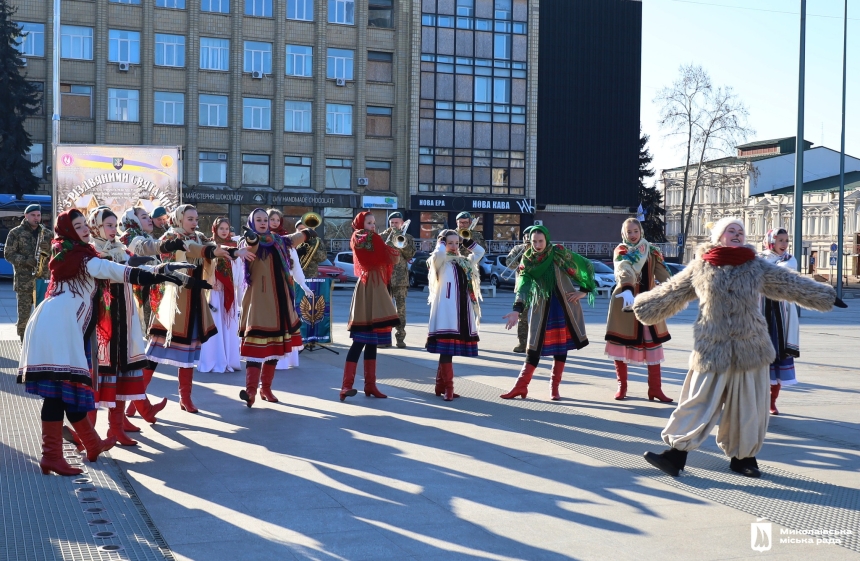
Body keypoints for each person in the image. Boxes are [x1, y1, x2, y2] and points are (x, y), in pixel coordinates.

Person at [636, 217, 845, 479]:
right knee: (696, 401)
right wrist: (643, 306)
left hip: (750, 347)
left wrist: (825, 296)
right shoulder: (701, 266)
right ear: (718, 237)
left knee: (748, 407)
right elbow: (673, 291)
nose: (737, 234)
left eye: (740, 231)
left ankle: (744, 458)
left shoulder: (755, 265)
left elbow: (789, 284)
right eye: (731, 230)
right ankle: (675, 455)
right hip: (712, 346)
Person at [18, 209, 181, 475]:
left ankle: (91, 445)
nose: (84, 229)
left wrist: (156, 270)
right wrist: (157, 273)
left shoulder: (75, 253)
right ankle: (52, 456)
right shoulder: (81, 258)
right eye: (78, 226)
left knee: (68, 392)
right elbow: (112, 270)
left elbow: (116, 266)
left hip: (65, 326)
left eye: (85, 224)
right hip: (61, 329)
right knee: (57, 395)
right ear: (68, 231)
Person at [146, 204, 230, 414]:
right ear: (179, 219)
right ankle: (136, 398)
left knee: (189, 353)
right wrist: (210, 250)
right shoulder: (169, 238)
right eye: (190, 219)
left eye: (196, 219)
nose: (194, 222)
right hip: (172, 302)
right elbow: (190, 249)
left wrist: (233, 251)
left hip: (193, 302)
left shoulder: (200, 238)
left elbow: (210, 248)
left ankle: (185, 397)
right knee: (154, 352)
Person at [500, 225, 597, 400]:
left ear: (547, 239)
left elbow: (583, 265)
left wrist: (584, 291)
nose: (537, 245)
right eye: (534, 242)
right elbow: (523, 285)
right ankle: (520, 386)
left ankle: (554, 388)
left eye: (540, 241)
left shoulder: (558, 252)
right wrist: (516, 310)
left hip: (563, 306)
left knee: (560, 347)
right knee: (534, 348)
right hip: (541, 307)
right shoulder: (527, 260)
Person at [234, 209, 311, 407]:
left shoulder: (278, 240)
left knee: (276, 346)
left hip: (280, 301)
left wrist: (307, 232)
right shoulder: (247, 243)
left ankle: (266, 388)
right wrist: (252, 238)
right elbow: (251, 245)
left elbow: (293, 239)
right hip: (259, 302)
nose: (262, 222)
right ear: (251, 222)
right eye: (258, 220)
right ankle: (250, 391)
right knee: (255, 348)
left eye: (265, 219)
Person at [118, 206, 182, 425]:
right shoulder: (130, 237)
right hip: (132, 301)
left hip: (146, 300)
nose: (148, 220)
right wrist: (167, 245)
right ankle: (134, 410)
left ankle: (135, 408)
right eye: (143, 217)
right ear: (133, 220)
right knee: (131, 357)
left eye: (148, 216)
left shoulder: (144, 236)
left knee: (137, 355)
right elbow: (145, 251)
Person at [604, 218, 673, 402]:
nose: (633, 235)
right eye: (629, 232)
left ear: (641, 231)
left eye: (635, 231)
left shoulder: (651, 251)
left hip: (648, 303)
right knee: (621, 344)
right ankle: (622, 387)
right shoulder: (621, 251)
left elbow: (663, 273)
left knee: (653, 345)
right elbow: (623, 270)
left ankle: (655, 389)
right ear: (623, 233)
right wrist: (628, 288)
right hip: (625, 301)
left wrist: (677, 288)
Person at [339, 211, 400, 401]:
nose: (373, 226)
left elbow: (390, 257)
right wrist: (392, 243)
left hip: (374, 286)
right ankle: (347, 386)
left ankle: (369, 385)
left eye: (374, 223)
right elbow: (388, 257)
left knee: (372, 341)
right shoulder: (363, 237)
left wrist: (392, 244)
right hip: (370, 286)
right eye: (369, 223)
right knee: (360, 340)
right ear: (360, 224)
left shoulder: (367, 238)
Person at [426, 229, 484, 400]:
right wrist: (441, 243)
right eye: (450, 242)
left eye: (456, 243)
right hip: (446, 311)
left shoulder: (465, 261)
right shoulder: (439, 260)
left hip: (462, 311)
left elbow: (480, 252)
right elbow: (438, 254)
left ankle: (440, 385)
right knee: (446, 349)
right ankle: (448, 388)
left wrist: (466, 241)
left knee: (448, 350)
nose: (454, 246)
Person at [759, 229, 800, 415]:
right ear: (771, 241)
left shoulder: (789, 260)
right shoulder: (759, 258)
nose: (784, 244)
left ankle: (772, 401)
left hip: (781, 315)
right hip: (761, 313)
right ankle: (758, 400)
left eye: (786, 240)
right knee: (759, 359)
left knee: (779, 355)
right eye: (780, 240)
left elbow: (782, 276)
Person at [198, 218, 242, 374]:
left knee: (229, 325)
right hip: (214, 291)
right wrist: (210, 283)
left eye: (226, 228)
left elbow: (238, 269)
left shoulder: (234, 246)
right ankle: (213, 360)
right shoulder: (209, 246)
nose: (224, 231)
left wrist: (234, 284)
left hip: (228, 291)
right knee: (215, 324)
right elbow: (203, 267)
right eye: (221, 228)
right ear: (215, 229)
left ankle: (229, 360)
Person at [4, 204, 52, 341]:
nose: (36, 218)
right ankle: (23, 340)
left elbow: (56, 255)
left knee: (42, 314)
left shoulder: (47, 233)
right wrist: (25, 261)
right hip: (24, 281)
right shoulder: (15, 233)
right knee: (24, 316)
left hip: (42, 280)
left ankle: (40, 341)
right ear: (26, 216)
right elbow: (8, 254)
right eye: (33, 215)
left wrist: (48, 249)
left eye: (38, 215)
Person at [381, 211, 416, 348]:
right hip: (384, 278)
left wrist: (401, 241)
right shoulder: (383, 236)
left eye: (397, 222)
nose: (394, 225)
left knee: (400, 310)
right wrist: (390, 240)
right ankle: (384, 338)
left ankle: (400, 337)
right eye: (392, 223)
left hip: (401, 279)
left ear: (402, 223)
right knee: (384, 309)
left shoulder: (408, 237)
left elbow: (410, 254)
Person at [506, 228, 532, 353]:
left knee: (540, 317)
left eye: (530, 236)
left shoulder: (542, 248)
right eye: (526, 236)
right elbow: (509, 263)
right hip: (523, 288)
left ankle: (540, 342)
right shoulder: (518, 249)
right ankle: (523, 343)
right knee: (522, 317)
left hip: (539, 288)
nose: (528, 239)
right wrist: (521, 258)